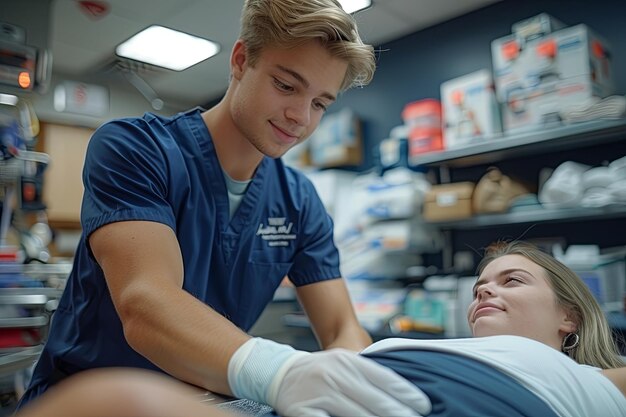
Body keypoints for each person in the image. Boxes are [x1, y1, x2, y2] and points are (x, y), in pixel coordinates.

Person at [15, 1, 432, 417]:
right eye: (286, 85)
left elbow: (342, 327)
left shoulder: (299, 202)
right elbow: (147, 303)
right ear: (240, 60)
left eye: (320, 103)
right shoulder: (136, 149)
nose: (300, 117)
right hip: (90, 404)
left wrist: (360, 386)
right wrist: (281, 372)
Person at [360, 240, 626, 416]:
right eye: (477, 291)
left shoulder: (592, 383)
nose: (483, 291)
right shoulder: (450, 350)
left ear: (569, 316)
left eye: (512, 281)